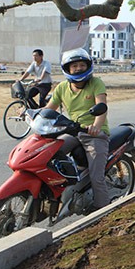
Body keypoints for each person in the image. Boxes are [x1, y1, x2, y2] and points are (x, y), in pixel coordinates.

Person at [45, 48, 111, 211]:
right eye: (74, 66)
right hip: (72, 131)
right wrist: (33, 114)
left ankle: (102, 211)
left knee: (97, 177)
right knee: (48, 154)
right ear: (67, 69)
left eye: (82, 64)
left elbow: (101, 107)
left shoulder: (96, 83)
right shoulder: (61, 87)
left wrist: (96, 126)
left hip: (94, 133)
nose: (79, 68)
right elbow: (49, 110)